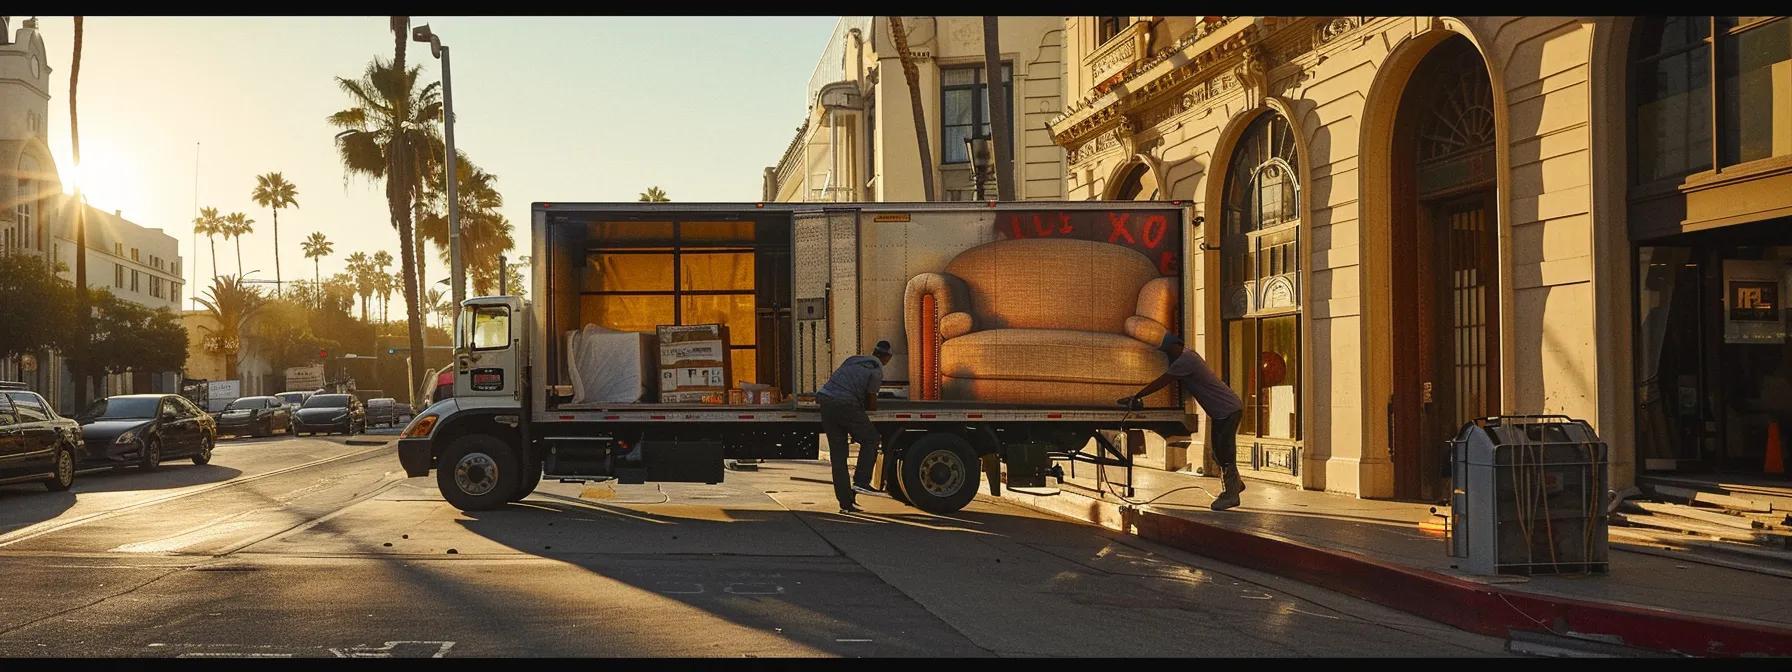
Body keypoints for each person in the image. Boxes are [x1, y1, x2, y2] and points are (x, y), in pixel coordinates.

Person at [1118, 334, 1248, 511]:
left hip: (1227, 409)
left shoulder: (1186, 360)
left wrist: (1137, 396)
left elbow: (1163, 381)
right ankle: (1235, 484)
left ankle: (1231, 495)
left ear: (1178, 346)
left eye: (1169, 351)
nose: (1169, 356)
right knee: (1218, 452)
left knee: (1224, 452)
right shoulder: (1187, 356)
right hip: (1222, 411)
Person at [818, 340, 893, 513]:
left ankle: (846, 503)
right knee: (871, 439)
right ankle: (861, 481)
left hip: (825, 400)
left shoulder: (852, 360)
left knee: (838, 457)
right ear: (886, 358)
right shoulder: (876, 370)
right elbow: (871, 400)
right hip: (845, 403)